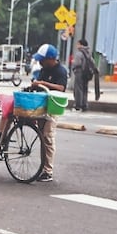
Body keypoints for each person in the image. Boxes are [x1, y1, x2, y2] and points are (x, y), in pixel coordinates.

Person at [26, 44, 67, 183]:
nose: (40, 62)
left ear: (51, 59)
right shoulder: (44, 69)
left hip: (53, 108)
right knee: (42, 137)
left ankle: (48, 171)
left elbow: (61, 88)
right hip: (42, 106)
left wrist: (44, 83)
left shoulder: (60, 71)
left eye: (43, 59)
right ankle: (42, 168)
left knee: (48, 137)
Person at [70, 38, 97, 112]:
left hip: (79, 72)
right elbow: (93, 63)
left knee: (78, 89)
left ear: (81, 44)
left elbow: (77, 63)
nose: (77, 45)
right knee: (85, 89)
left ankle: (78, 105)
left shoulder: (79, 53)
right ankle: (84, 105)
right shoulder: (88, 52)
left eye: (78, 44)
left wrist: (73, 65)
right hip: (87, 73)